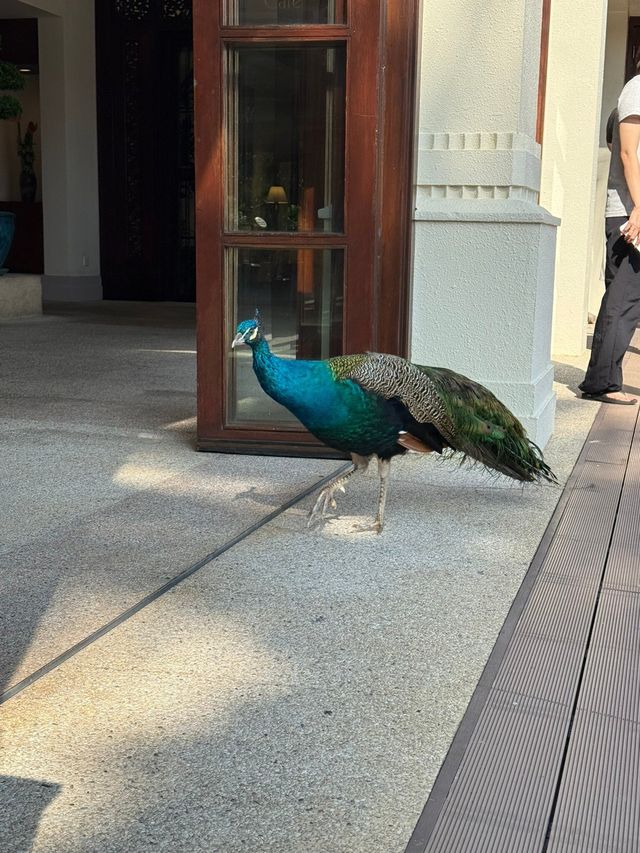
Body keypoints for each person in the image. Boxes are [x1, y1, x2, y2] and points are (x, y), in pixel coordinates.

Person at [579, 68, 640, 405]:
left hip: (634, 212)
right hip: (630, 214)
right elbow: (628, 154)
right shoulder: (637, 90)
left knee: (626, 298)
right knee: (624, 298)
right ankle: (601, 383)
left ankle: (602, 380)